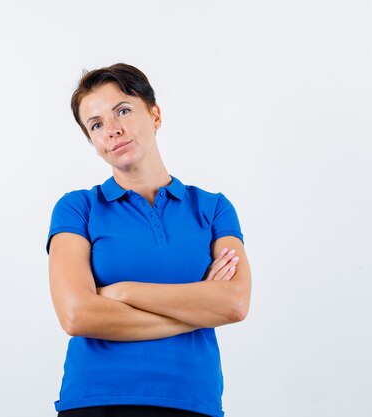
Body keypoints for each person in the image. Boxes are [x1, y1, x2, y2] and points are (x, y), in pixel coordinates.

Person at [45, 63, 252, 417]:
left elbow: (233, 303)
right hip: (97, 401)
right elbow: (77, 315)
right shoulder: (77, 208)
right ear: (93, 142)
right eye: (96, 125)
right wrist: (199, 310)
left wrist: (122, 292)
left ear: (155, 114)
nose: (112, 130)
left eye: (122, 110)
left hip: (191, 401)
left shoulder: (213, 208)